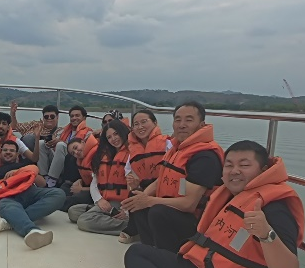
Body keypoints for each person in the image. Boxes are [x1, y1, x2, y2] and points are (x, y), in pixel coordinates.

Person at [96, 140, 304, 268]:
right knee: (137, 253)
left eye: (244, 165)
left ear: (263, 170)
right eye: (229, 165)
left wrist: (266, 234)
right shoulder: (231, 195)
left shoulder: (274, 210)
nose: (235, 171)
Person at [121, 101, 223, 253]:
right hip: (173, 209)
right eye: (178, 120)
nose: (182, 125)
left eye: (189, 120)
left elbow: (189, 204)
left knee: (157, 211)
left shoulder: (204, 157)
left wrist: (149, 201)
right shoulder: (177, 149)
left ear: (201, 125)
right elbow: (161, 179)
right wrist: (142, 197)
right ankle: (152, 249)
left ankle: (170, 256)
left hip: (197, 222)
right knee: (137, 200)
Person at [0, 139, 66, 249]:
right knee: (5, 205)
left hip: (31, 192)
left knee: (59, 194)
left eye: (12, 151)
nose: (8, 152)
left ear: (17, 154)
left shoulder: (25, 165)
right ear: (0, 153)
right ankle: (32, 230)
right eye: (5, 150)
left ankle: (11, 221)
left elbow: (42, 183)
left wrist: (18, 172)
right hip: (9, 198)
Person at [67, 119, 130, 236]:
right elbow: (94, 183)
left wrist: (127, 211)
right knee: (73, 212)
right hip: (105, 200)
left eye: (116, 134)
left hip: (121, 202)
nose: (113, 139)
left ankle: (131, 227)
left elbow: (135, 187)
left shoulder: (131, 154)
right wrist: (99, 200)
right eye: (109, 137)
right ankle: (107, 215)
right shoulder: (103, 155)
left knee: (84, 221)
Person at [118, 109, 172, 244]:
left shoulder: (168, 144)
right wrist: (134, 185)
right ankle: (142, 235)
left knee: (141, 200)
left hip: (165, 190)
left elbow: (172, 172)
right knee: (133, 194)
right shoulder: (133, 151)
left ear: (155, 123)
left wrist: (145, 194)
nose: (140, 127)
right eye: (136, 124)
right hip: (145, 188)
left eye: (144, 122)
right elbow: (129, 174)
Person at [38, 105, 92, 188]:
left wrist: (60, 142)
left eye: (77, 115)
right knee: (41, 143)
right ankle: (44, 177)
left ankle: (52, 179)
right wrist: (51, 143)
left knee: (61, 145)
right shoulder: (63, 131)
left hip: (71, 162)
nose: (74, 118)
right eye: (72, 116)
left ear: (84, 117)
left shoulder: (88, 133)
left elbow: (83, 151)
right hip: (57, 160)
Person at [60, 134, 98, 211]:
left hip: (97, 192)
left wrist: (82, 189)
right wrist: (80, 180)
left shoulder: (97, 156)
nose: (76, 152)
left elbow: (102, 186)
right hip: (88, 186)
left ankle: (56, 204)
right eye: (73, 153)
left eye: (76, 147)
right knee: (65, 187)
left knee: (75, 198)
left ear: (83, 142)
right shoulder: (80, 160)